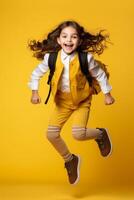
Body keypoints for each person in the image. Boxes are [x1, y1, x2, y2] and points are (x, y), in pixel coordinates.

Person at [28, 20, 115, 185]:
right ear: (59, 40)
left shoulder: (86, 59)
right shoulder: (51, 58)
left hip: (82, 100)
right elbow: (35, 74)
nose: (69, 40)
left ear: (79, 41)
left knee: (78, 134)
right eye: (65, 36)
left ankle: (101, 134)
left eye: (73, 37)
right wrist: (34, 92)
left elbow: (100, 75)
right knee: (51, 134)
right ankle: (70, 160)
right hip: (62, 102)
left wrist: (107, 94)